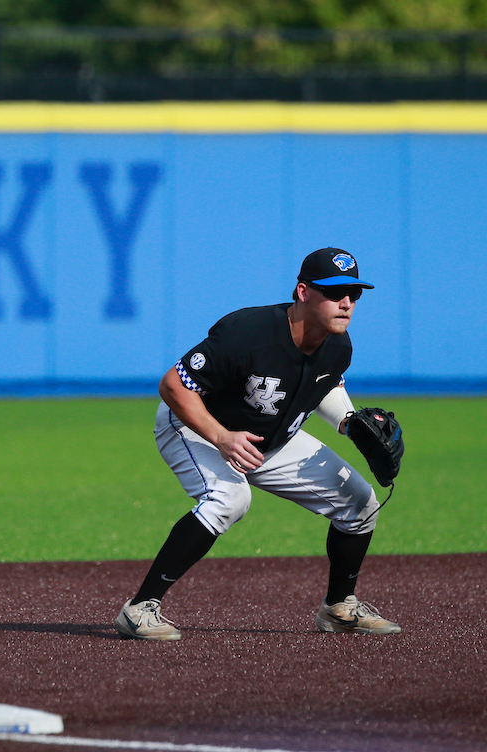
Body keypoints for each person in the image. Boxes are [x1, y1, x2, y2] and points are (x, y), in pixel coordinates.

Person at [115, 247, 400, 640]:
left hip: (268, 438)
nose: (346, 303)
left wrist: (350, 424)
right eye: (335, 293)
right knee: (230, 500)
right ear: (303, 292)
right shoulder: (248, 334)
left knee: (360, 502)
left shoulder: (338, 345)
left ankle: (338, 607)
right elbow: (173, 386)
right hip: (195, 425)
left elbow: (326, 383)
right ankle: (141, 607)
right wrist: (220, 437)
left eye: (354, 293)